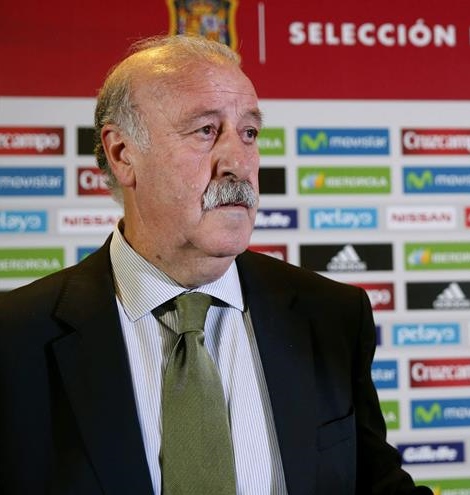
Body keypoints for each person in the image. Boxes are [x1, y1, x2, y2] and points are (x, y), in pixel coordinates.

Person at [0, 35, 431, 495]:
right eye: (206, 130)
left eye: (249, 133)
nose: (239, 163)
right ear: (122, 153)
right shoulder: (15, 338)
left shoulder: (331, 317)